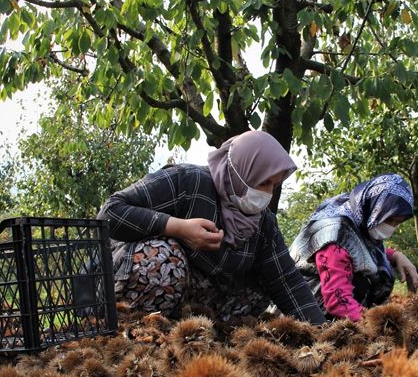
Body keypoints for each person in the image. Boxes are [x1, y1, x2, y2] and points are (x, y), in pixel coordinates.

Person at [97, 130, 326, 325]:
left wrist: (320, 333)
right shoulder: (188, 181)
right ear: (240, 171)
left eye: (273, 185)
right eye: (263, 182)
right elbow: (110, 213)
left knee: (262, 283)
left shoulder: (263, 223)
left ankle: (196, 338)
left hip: (199, 306)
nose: (267, 193)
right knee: (164, 259)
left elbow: (286, 280)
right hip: (135, 287)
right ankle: (134, 330)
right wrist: (178, 228)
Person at [289, 174, 418, 322]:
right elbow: (337, 301)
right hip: (308, 316)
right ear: (374, 208)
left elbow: (361, 249)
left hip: (343, 314)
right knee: (362, 281)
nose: (392, 227)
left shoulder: (359, 218)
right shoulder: (336, 237)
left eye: (397, 223)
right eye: (389, 220)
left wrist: (395, 256)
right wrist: (378, 324)